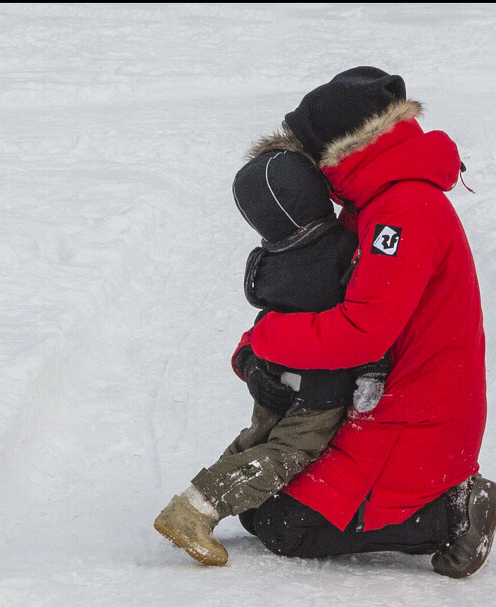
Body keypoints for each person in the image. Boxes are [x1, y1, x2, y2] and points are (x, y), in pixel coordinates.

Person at [235, 66, 496, 578]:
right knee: (255, 503)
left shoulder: (403, 210)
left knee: (282, 524)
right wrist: (253, 349)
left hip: (416, 421)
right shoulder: (374, 203)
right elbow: (321, 302)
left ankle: (452, 510)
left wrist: (267, 340)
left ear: (337, 148)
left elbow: (361, 331)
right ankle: (439, 499)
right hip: (387, 404)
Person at [153, 148, 390, 566]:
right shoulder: (344, 249)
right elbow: (365, 314)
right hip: (320, 386)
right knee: (286, 454)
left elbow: (268, 314)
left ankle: (195, 499)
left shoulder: (272, 258)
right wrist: (373, 370)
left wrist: (250, 361)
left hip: (275, 374)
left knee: (256, 438)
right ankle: (196, 510)